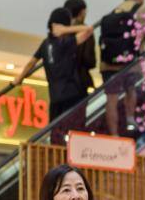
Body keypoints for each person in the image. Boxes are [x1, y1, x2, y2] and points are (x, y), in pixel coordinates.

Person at [14, 8, 93, 144]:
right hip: (73, 95)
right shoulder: (67, 43)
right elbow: (89, 30)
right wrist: (67, 30)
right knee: (74, 133)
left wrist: (19, 79)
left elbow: (30, 64)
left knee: (56, 133)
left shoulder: (45, 44)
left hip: (55, 97)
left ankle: (59, 156)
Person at [99, 0, 145, 136]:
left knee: (111, 99)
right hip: (130, 63)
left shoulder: (113, 13)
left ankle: (114, 134)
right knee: (131, 90)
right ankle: (130, 120)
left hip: (108, 64)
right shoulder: (143, 9)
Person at [64, 0, 97, 94]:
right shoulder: (86, 31)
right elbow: (89, 60)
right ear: (81, 12)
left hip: (61, 81)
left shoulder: (61, 31)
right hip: (80, 80)